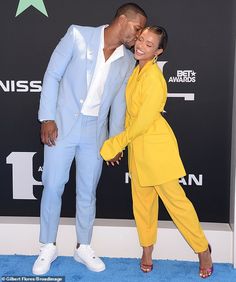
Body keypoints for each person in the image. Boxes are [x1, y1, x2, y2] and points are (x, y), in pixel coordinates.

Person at [32, 3, 147, 275]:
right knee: (53, 185)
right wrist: (47, 117)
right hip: (62, 126)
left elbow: (119, 103)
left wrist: (116, 141)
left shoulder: (128, 61)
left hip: (95, 133)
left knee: (87, 191)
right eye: (138, 28)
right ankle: (47, 245)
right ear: (122, 20)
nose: (139, 36)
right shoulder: (78, 35)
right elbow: (53, 75)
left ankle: (83, 246)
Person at [100, 26, 213, 278]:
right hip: (138, 151)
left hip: (157, 150)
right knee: (142, 205)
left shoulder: (153, 78)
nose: (141, 45)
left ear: (158, 51)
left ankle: (203, 250)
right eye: (141, 39)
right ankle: (147, 251)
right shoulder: (135, 70)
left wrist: (115, 144)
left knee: (177, 205)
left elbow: (142, 122)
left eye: (149, 44)